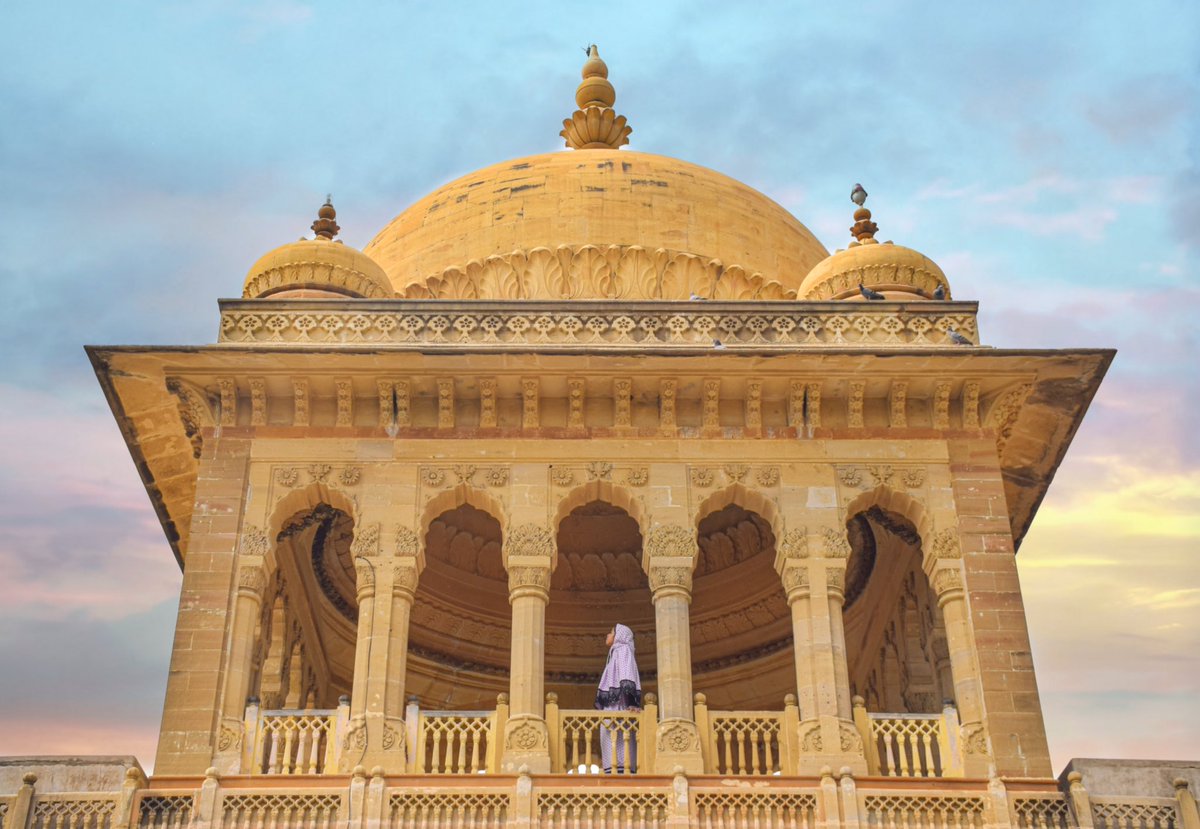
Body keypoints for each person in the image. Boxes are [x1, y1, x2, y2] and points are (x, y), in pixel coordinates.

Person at [594, 623, 641, 773]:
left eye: (611, 632)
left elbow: (627, 675)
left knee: (620, 743)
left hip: (620, 707)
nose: (608, 635)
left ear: (619, 636)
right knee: (611, 741)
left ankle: (620, 772)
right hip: (611, 708)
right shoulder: (616, 652)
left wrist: (631, 702)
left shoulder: (623, 650)